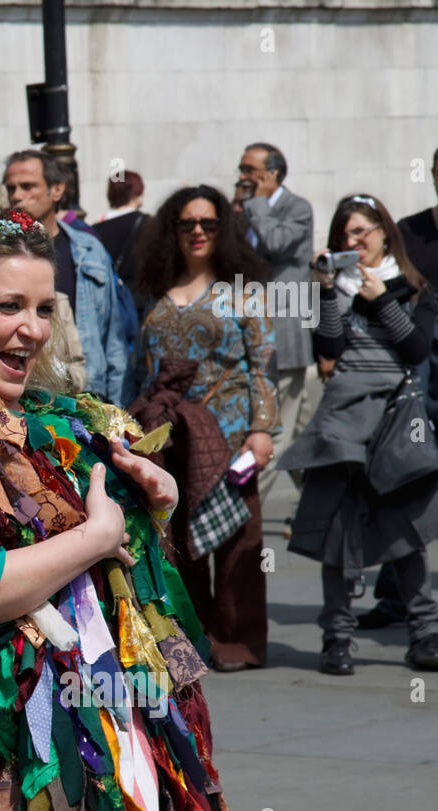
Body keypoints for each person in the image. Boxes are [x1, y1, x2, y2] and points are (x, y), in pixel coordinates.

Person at [0, 208, 238, 811]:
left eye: (43, 307)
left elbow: (120, 590)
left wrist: (148, 511)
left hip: (104, 720)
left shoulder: (68, 422)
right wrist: (97, 536)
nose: (32, 328)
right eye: (8, 306)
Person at [279, 195, 438, 674]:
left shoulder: (415, 289)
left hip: (395, 425)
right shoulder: (336, 289)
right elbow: (328, 348)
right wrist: (329, 291)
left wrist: (381, 299)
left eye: (362, 233)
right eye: (345, 237)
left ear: (383, 234)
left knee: (408, 535)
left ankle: (425, 634)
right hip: (342, 427)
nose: (354, 243)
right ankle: (336, 640)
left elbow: (416, 350)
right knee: (337, 537)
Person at [133, 185, 276, 671]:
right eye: (187, 224)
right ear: (171, 230)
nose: (197, 232)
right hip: (171, 435)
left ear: (224, 230)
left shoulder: (244, 294)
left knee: (238, 539)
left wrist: (263, 431)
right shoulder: (153, 293)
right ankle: (190, 637)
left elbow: (263, 367)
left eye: (208, 224)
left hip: (232, 435)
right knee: (178, 541)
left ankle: (237, 641)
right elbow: (140, 367)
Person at [373, 136, 438, 634]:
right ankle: (394, 597)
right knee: (400, 490)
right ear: (432, 175)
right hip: (412, 385)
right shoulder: (409, 232)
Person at [3, 149, 128, 403]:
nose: (17, 196)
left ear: (57, 190)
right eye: (11, 188)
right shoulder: (0, 253)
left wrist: (117, 411)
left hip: (88, 397)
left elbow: (113, 336)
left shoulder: (89, 250)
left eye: (27, 186)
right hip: (27, 400)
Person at [234, 143, 317, 505]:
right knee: (293, 436)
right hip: (246, 336)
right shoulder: (246, 210)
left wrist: (255, 205)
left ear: (273, 175)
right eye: (241, 168)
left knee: (273, 433)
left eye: (250, 170)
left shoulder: (296, 209)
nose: (243, 177)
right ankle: (322, 508)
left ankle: (245, 510)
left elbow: (276, 242)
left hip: (282, 338)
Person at [93, 170, 148, 308]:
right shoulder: (147, 223)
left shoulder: (95, 228)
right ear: (136, 192)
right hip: (139, 302)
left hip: (107, 302)